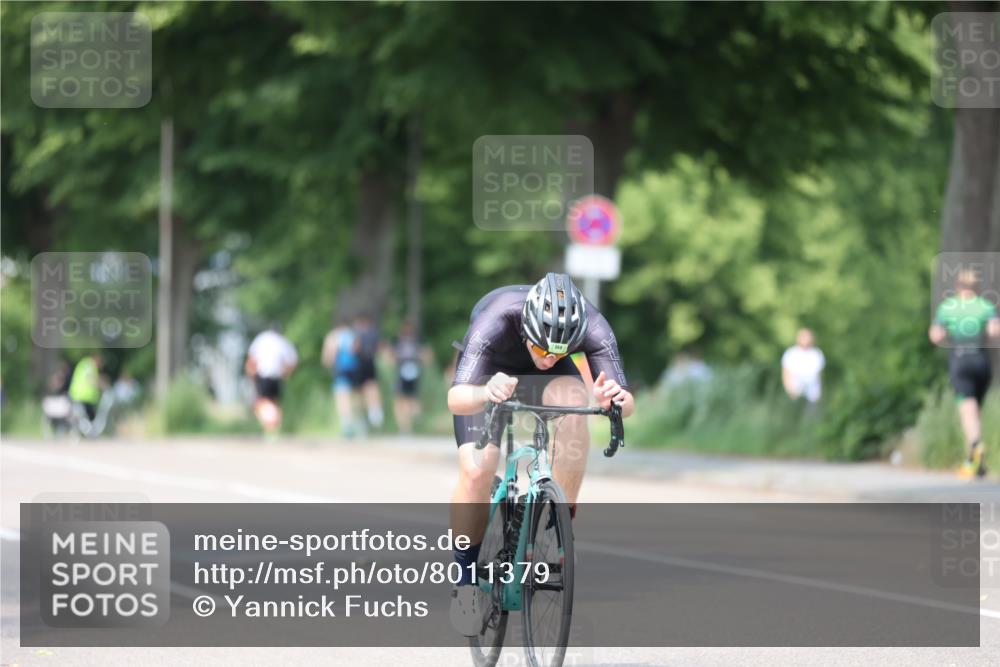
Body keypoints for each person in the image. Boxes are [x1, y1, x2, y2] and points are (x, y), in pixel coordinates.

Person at [446, 272, 634, 635]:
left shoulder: (592, 327)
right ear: (527, 329)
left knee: (577, 413)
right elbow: (455, 399)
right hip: (491, 373)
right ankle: (465, 580)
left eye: (560, 350)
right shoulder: (496, 318)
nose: (549, 357)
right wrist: (486, 393)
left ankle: (556, 524)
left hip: (548, 385)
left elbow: (626, 404)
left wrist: (617, 399)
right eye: (543, 347)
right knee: (476, 469)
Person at [929, 269, 1000, 479]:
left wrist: (948, 336)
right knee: (976, 408)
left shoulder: (947, 307)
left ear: (957, 286)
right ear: (976, 287)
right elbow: (995, 331)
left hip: (960, 359)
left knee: (967, 409)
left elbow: (935, 335)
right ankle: (979, 462)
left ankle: (974, 451)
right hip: (981, 359)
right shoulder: (986, 306)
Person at [245, 323, 298, 435]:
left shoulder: (261, 339)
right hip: (277, 376)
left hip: (263, 375)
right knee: (274, 402)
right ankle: (273, 427)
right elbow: (293, 360)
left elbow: (252, 359)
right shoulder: (282, 341)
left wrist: (251, 374)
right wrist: (286, 374)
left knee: (261, 402)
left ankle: (269, 426)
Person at [322, 318, 362, 437]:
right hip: (354, 369)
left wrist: (328, 366)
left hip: (341, 370)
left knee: (342, 397)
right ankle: (360, 423)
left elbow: (329, 355)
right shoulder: (352, 335)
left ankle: (347, 424)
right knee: (355, 397)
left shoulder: (333, 336)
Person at [391, 319, 430, 435]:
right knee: (406, 400)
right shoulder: (414, 341)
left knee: (404, 400)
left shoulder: (404, 341)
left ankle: (406, 426)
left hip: (407, 372)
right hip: (409, 372)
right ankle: (407, 424)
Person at [354, 313, 384, 431]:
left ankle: (366, 416)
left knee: (361, 391)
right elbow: (380, 347)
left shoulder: (358, 334)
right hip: (371, 363)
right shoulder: (374, 333)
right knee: (372, 387)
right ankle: (375, 414)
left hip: (361, 364)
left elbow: (354, 348)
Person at [781, 328, 825, 404]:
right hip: (795, 392)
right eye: (803, 337)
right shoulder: (791, 353)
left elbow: (820, 375)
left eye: (808, 337)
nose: (806, 340)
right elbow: (785, 373)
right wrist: (789, 389)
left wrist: (819, 391)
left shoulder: (817, 354)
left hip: (812, 393)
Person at [68, 353, 105, 422]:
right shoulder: (89, 365)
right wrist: (102, 385)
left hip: (80, 396)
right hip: (82, 397)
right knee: (87, 419)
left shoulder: (85, 364)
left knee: (85, 419)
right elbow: (91, 379)